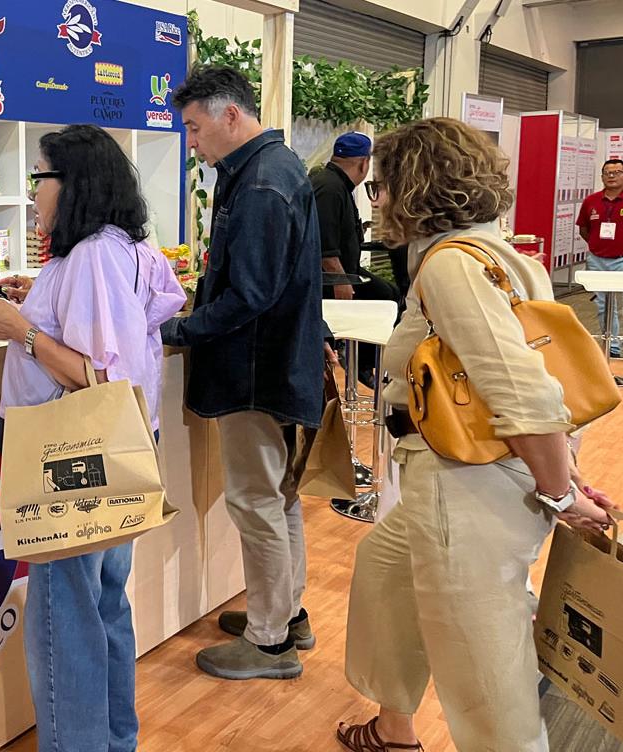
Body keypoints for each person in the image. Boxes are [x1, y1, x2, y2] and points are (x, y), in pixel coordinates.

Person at [339, 117, 616, 752]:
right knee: (383, 567)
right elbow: (547, 378)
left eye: (383, 186)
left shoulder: (449, 266)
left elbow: (523, 390)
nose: (376, 199)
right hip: (479, 474)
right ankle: (393, 726)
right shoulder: (503, 255)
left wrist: (560, 494)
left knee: (484, 665)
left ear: (414, 187)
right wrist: (564, 476)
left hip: (463, 484)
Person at [0, 124, 184, 751]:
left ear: (73, 184)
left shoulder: (92, 254)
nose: (34, 193)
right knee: (105, 606)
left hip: (74, 456)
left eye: (41, 177)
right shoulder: (125, 249)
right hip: (120, 449)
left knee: (66, 618)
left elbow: (99, 376)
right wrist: (39, 300)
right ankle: (114, 740)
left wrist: (22, 331)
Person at [160, 64, 324, 681]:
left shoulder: (260, 184)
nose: (194, 143)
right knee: (277, 498)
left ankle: (270, 642)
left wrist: (178, 328)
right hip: (277, 365)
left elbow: (249, 294)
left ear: (232, 115)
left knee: (256, 500)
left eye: (197, 129)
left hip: (257, 371)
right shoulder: (271, 170)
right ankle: (286, 614)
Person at [312, 132, 402, 387]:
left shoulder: (334, 184)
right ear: (364, 163)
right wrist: (341, 281)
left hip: (345, 271)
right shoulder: (330, 188)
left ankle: (365, 364)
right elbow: (325, 249)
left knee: (390, 293)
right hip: (331, 278)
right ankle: (360, 366)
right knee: (386, 295)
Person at [576, 158, 623, 357]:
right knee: (604, 304)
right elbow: (584, 229)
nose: (612, 176)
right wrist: (598, 246)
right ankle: (611, 348)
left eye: (617, 172)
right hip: (597, 259)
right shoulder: (591, 201)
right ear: (602, 176)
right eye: (607, 173)